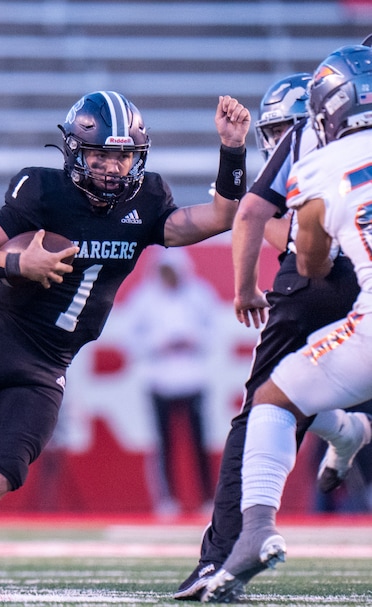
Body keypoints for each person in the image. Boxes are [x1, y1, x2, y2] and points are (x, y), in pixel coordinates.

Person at [0, 90, 251, 592]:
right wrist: (17, 262)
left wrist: (232, 150)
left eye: (121, 156)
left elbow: (221, 217)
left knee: (1, 471)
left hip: (48, 363)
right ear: (75, 153)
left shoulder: (146, 202)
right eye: (99, 154)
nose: (110, 168)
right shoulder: (42, 190)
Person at [175, 68, 372, 601]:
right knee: (282, 399)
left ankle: (227, 551)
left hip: (324, 278)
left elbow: (268, 226)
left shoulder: (316, 150)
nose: (286, 138)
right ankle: (346, 432)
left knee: (267, 407)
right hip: (340, 275)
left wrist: (245, 289)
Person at [123, 247, 220, 515]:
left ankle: (206, 499)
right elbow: (130, 338)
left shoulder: (198, 294)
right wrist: (158, 344)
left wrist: (193, 339)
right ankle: (167, 500)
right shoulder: (144, 298)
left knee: (199, 443)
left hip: (193, 378)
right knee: (163, 444)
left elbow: (214, 330)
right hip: (159, 379)